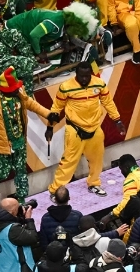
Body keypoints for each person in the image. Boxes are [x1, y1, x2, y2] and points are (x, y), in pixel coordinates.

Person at [0, 68, 53, 220]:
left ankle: (22, 203)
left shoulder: (19, 92)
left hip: (19, 143)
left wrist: (48, 114)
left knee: (21, 173)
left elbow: (31, 103)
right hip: (1, 147)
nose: (16, 91)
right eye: (13, 89)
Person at [47, 63, 124, 197]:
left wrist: (117, 120)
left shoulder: (99, 84)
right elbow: (56, 108)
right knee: (69, 161)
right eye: (81, 76)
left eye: (87, 76)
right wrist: (49, 127)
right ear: (76, 74)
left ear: (91, 74)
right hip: (74, 130)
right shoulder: (65, 87)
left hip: (95, 128)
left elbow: (108, 102)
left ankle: (94, 183)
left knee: (97, 159)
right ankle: (55, 190)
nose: (84, 79)